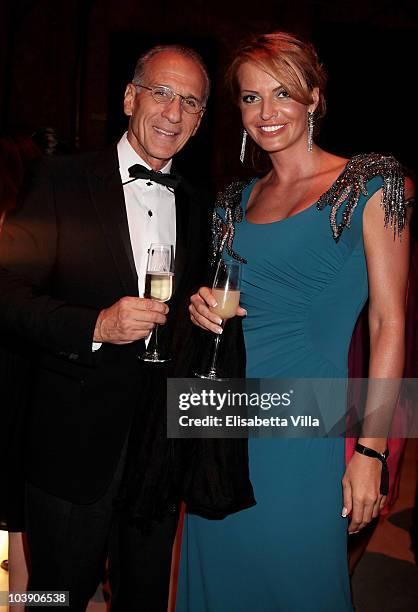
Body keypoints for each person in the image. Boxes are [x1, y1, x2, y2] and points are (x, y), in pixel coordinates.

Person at [177, 32, 414, 611]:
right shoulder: (232, 203)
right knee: (218, 583)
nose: (266, 112)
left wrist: (371, 450)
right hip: (222, 423)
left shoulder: (372, 183)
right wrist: (199, 309)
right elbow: (227, 311)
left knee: (297, 586)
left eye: (282, 92)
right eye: (251, 98)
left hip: (308, 430)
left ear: (313, 96)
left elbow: (388, 323)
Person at [0, 44, 210, 611]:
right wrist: (95, 324)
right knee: (53, 597)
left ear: (200, 120)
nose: (173, 112)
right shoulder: (59, 179)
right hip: (70, 446)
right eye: (161, 92)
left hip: (156, 453)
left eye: (190, 102)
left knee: (143, 599)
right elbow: (8, 294)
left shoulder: (197, 205)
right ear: (128, 98)